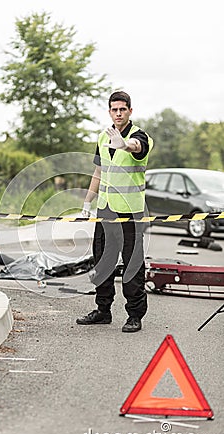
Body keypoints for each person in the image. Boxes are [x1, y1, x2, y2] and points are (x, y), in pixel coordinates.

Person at [76, 91, 153, 332]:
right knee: (102, 261)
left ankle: (134, 315)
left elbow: (137, 146)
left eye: (122, 109)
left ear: (130, 110)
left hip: (130, 213)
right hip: (105, 211)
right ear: (109, 111)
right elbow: (98, 174)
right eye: (114, 109)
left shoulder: (140, 136)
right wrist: (86, 204)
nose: (118, 113)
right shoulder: (102, 138)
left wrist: (126, 144)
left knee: (132, 264)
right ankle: (103, 310)